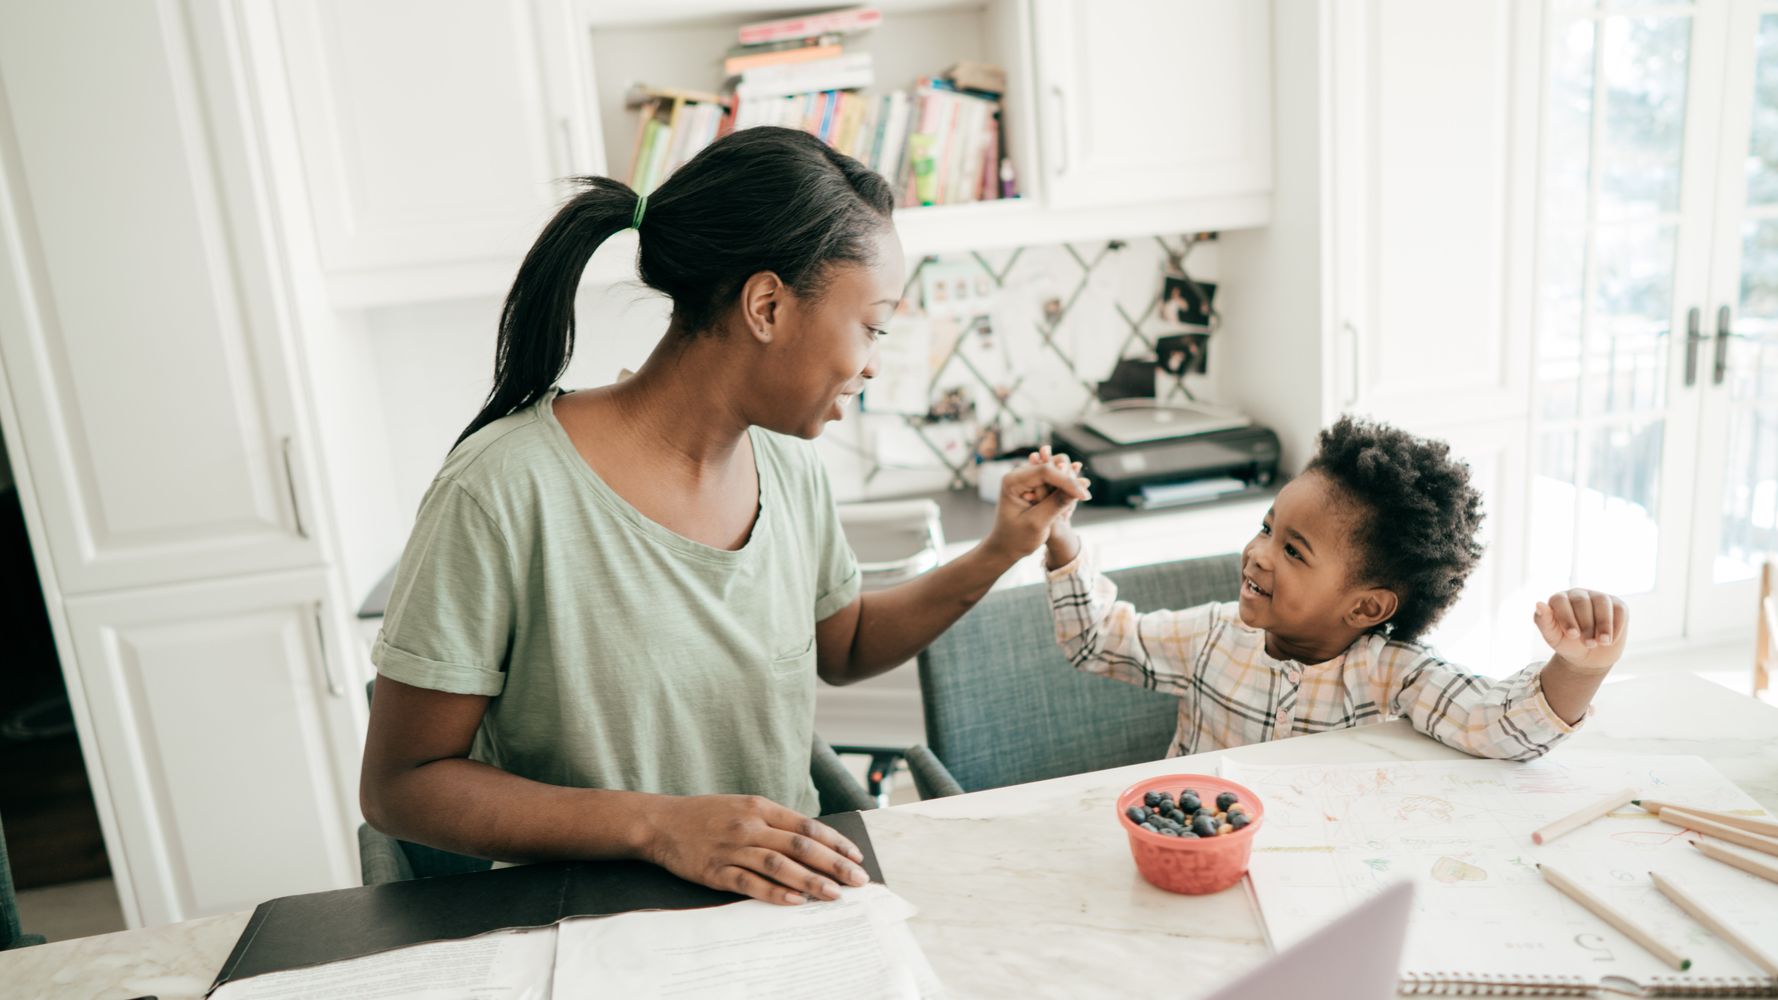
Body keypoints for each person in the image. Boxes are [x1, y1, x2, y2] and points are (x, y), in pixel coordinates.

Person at [359, 127, 1087, 908]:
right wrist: (660, 826)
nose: (874, 361)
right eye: (873, 326)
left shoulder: (790, 466)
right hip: (589, 930)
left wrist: (1001, 550)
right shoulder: (502, 488)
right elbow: (403, 786)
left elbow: (841, 645)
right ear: (767, 306)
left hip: (781, 911)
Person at [1035, 417, 1627, 760]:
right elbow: (1096, 641)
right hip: (1200, 862)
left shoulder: (1393, 675)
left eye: (1293, 551)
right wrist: (1059, 536)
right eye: (1267, 528)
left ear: (1366, 606)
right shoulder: (1214, 635)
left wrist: (1578, 667)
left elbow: (1499, 727)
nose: (1257, 553)